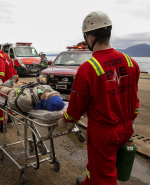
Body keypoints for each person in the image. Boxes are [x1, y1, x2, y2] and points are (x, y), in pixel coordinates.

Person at [57, 11, 140, 185]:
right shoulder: (131, 62)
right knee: (101, 167)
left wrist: (64, 122)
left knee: (104, 177)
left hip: (104, 133)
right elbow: (134, 100)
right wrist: (130, 121)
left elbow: (75, 108)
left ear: (89, 37)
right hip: (126, 127)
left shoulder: (88, 69)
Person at [0, 41, 19, 133]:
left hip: (3, 85)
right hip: (11, 84)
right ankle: (10, 119)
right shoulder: (7, 57)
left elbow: (1, 68)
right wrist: (15, 81)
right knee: (9, 101)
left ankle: (2, 126)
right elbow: (14, 72)